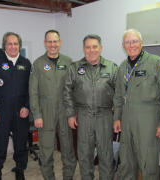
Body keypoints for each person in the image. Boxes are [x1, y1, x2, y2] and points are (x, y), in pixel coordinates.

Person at [113, 29, 160, 180]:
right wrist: (117, 118)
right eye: (128, 42)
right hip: (127, 121)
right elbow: (118, 96)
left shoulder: (156, 63)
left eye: (134, 41)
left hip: (148, 121)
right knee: (126, 162)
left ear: (141, 43)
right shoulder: (122, 67)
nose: (131, 45)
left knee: (148, 163)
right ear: (123, 45)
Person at [63, 34, 118, 180]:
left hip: (105, 116)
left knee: (106, 154)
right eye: (88, 47)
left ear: (100, 48)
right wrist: (70, 114)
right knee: (85, 154)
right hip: (83, 116)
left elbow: (119, 96)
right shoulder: (74, 68)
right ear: (83, 49)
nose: (91, 50)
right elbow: (67, 92)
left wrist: (117, 118)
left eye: (94, 46)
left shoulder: (112, 68)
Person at [29, 30, 77, 180]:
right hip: (45, 113)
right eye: (49, 41)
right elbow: (33, 92)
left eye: (55, 41)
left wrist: (72, 113)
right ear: (45, 43)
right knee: (46, 151)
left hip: (65, 112)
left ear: (60, 42)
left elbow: (74, 89)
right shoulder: (37, 64)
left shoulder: (69, 62)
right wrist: (36, 115)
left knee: (68, 150)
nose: (52, 44)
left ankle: (68, 177)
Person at [0, 32, 31, 180]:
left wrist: (27, 106)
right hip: (2, 110)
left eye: (15, 44)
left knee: (21, 143)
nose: (13, 46)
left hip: (21, 110)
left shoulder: (26, 63)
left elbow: (32, 88)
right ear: (4, 45)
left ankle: (20, 169)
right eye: (9, 43)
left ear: (19, 46)